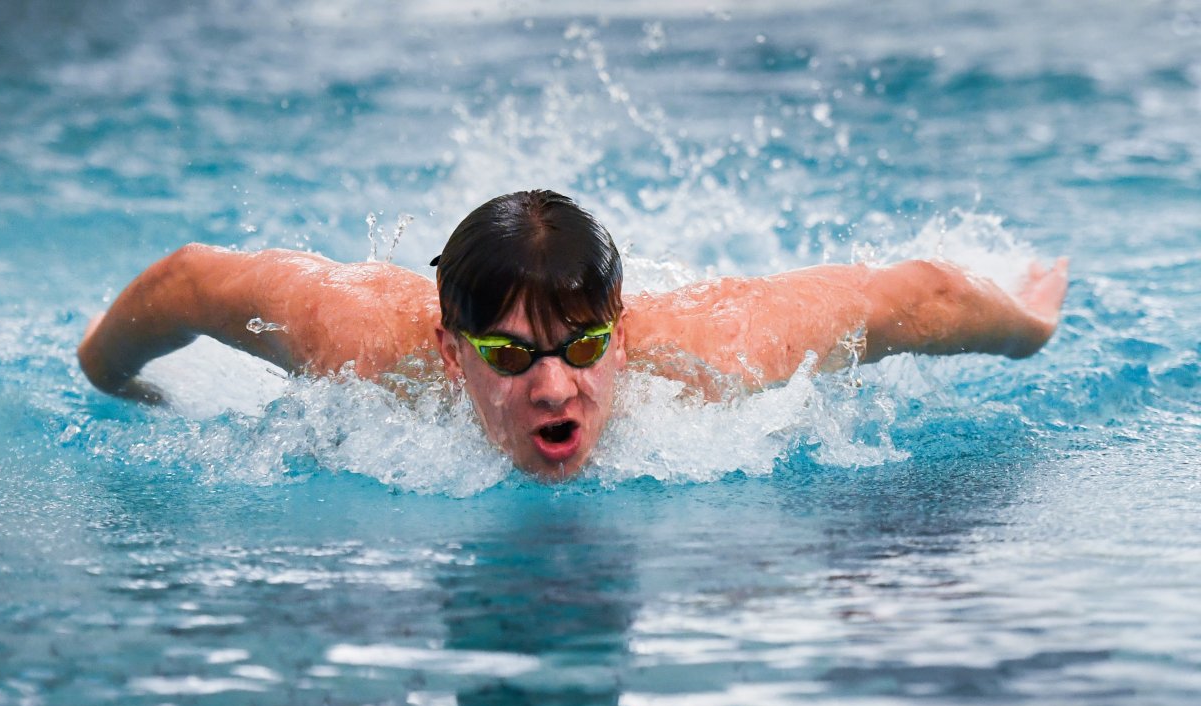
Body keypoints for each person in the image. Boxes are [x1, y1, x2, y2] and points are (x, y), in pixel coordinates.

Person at [78, 189, 1069, 480]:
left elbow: (918, 294)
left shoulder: (715, 354)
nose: (554, 386)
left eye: (582, 347)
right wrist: (111, 377)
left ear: (622, 334)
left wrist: (1025, 326)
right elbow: (190, 281)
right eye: (509, 354)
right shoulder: (361, 343)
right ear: (448, 349)